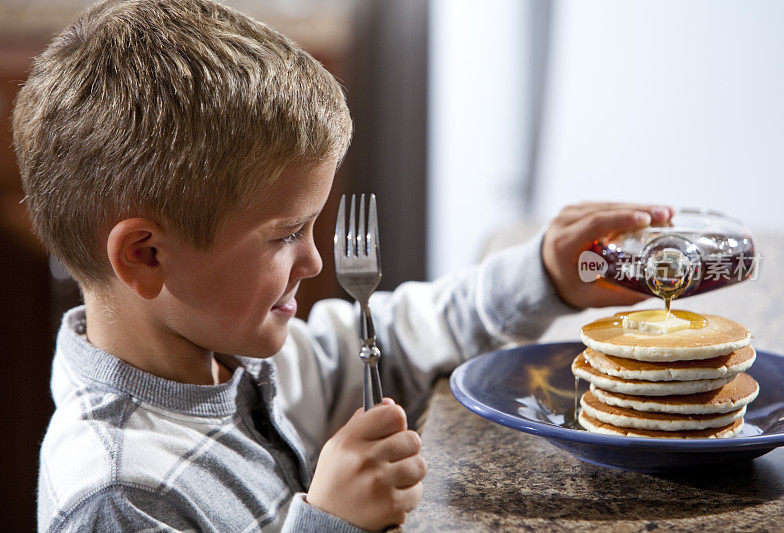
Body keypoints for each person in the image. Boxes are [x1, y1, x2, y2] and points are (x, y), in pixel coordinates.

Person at [13, 0, 673, 531]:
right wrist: (329, 523)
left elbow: (388, 339)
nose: (315, 258)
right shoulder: (116, 493)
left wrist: (542, 276)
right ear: (146, 255)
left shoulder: (234, 348)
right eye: (285, 234)